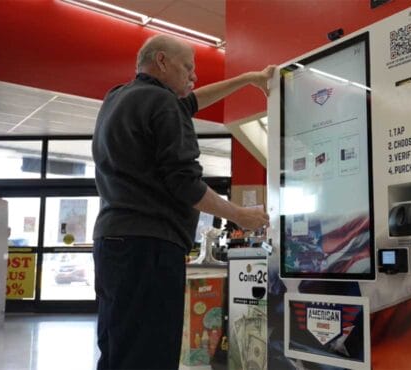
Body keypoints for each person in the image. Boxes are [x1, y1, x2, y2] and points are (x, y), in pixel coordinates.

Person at [91, 34, 275, 370]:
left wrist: (249, 79)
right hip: (150, 247)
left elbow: (189, 102)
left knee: (118, 346)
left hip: (112, 243)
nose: (194, 76)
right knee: (151, 351)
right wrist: (240, 216)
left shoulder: (118, 98)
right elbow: (185, 184)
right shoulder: (162, 104)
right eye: (187, 67)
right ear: (161, 61)